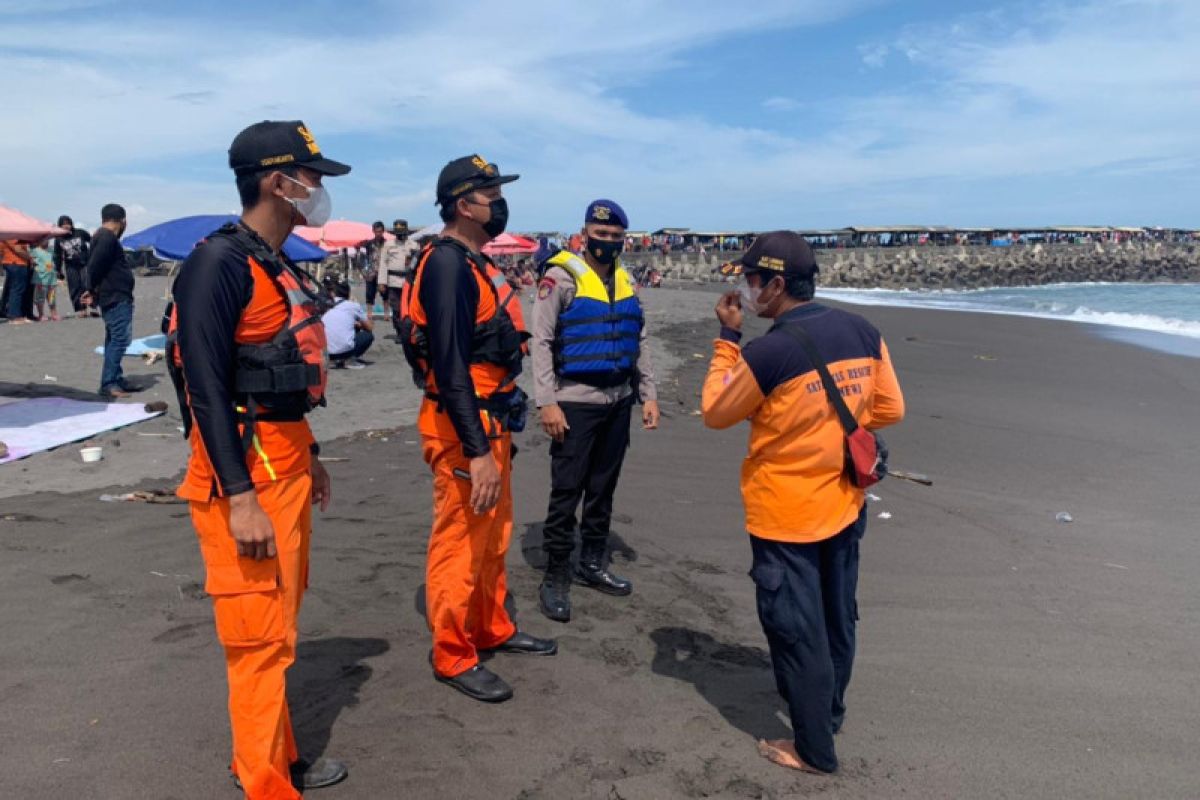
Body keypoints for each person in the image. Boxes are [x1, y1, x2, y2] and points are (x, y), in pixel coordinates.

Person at [168, 120, 352, 799]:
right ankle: (265, 781)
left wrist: (314, 453)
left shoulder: (270, 261)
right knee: (257, 638)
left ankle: (271, 752)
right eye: (313, 177)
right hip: (246, 475)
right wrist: (238, 495)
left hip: (287, 461)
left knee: (279, 625)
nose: (319, 189)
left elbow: (280, 377)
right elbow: (206, 386)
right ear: (280, 182)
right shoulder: (218, 263)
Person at [699, 231, 904, 775]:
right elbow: (890, 408)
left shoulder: (770, 351)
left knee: (797, 630)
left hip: (786, 512)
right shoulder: (862, 329)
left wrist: (727, 338)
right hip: (845, 500)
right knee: (838, 617)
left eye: (752, 280)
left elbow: (716, 411)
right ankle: (828, 713)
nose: (746, 289)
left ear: (776, 285)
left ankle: (813, 749)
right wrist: (828, 430)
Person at [405, 154, 555, 703]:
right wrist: (477, 450)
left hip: (491, 420)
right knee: (460, 542)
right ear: (464, 205)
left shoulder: (474, 263)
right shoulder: (446, 265)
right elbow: (447, 364)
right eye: (491, 194)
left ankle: (491, 624)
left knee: (494, 535)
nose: (500, 204)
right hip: (463, 427)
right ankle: (452, 652)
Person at [532, 199, 659, 623]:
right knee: (567, 490)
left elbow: (638, 339)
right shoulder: (560, 278)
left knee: (603, 489)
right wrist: (547, 401)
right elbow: (542, 342)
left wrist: (649, 393)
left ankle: (591, 562)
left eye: (614, 236)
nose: (606, 242)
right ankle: (555, 574)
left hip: (618, 400)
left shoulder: (625, 279)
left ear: (624, 239)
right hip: (575, 402)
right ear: (584, 234)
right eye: (599, 234)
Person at [84, 204, 136, 397]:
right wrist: (90, 289)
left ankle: (115, 377)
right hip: (115, 295)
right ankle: (109, 382)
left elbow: (97, 265)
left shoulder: (100, 237)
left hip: (112, 294)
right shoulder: (107, 238)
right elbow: (95, 266)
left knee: (114, 338)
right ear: (123, 221)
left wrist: (93, 290)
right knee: (120, 338)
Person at [322, 281, 373, 368]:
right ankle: (349, 358)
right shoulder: (353, 306)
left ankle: (333, 360)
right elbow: (369, 327)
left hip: (327, 351)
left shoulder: (325, 304)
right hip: (345, 351)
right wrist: (359, 324)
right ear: (349, 294)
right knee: (368, 336)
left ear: (334, 293)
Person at [378, 218, 417, 325]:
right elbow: (383, 264)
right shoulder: (388, 245)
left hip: (408, 281)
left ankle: (406, 331)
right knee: (396, 308)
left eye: (402, 233)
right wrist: (382, 282)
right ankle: (399, 330)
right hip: (393, 282)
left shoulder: (413, 245)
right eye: (397, 233)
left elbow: (417, 264)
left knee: (408, 307)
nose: (399, 235)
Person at [53, 215, 93, 316]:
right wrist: (58, 270)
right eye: (63, 224)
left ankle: (92, 307)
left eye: (68, 224)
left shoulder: (80, 233)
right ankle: (81, 310)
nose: (66, 226)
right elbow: (57, 255)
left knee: (87, 285)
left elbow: (93, 241)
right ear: (59, 226)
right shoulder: (58, 239)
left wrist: (93, 256)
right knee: (74, 287)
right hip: (70, 265)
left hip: (85, 263)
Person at [355, 220, 386, 311]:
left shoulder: (387, 244)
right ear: (373, 231)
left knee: (385, 294)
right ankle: (369, 314)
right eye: (376, 231)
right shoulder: (368, 244)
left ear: (383, 231)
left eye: (380, 231)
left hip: (383, 272)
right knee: (369, 294)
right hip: (371, 273)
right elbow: (361, 258)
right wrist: (364, 273)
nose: (378, 233)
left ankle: (386, 313)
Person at [1, 238, 32, 324]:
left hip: (12, 262)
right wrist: (31, 258)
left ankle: (17, 314)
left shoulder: (8, 234)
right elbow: (18, 249)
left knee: (16, 289)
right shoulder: (12, 235)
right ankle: (14, 316)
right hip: (16, 263)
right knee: (17, 289)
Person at [30, 238, 59, 321]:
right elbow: (30, 259)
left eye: (47, 240)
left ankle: (54, 314)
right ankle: (41, 314)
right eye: (43, 240)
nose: (45, 241)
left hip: (51, 278)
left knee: (52, 297)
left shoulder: (51, 250)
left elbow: (54, 261)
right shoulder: (35, 250)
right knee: (40, 298)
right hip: (40, 278)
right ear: (39, 241)